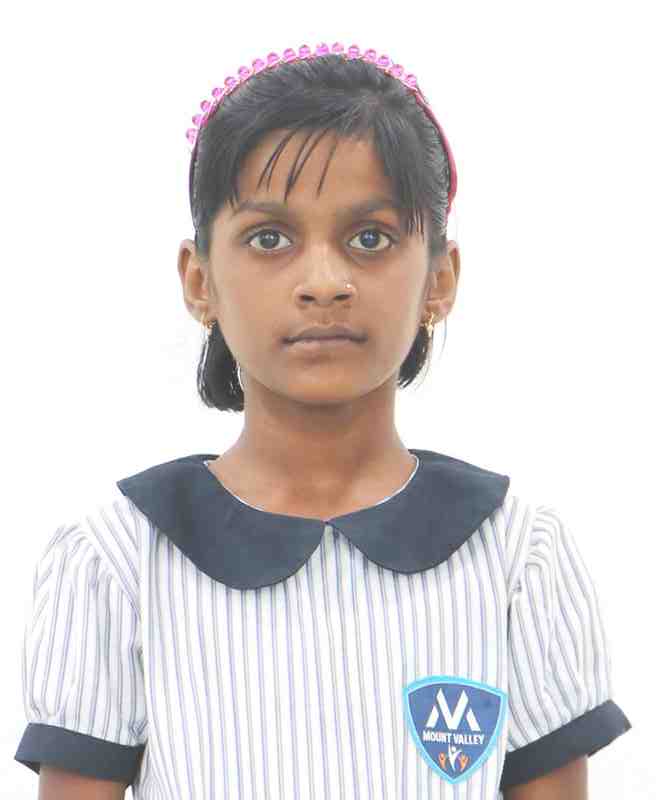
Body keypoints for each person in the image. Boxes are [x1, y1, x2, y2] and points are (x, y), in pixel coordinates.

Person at [14, 42, 631, 799]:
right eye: (269, 238)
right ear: (199, 280)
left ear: (439, 278)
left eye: (370, 237)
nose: (324, 282)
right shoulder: (117, 561)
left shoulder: (517, 557)